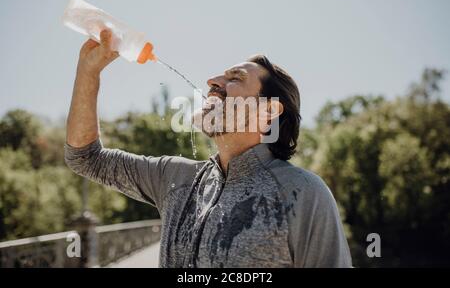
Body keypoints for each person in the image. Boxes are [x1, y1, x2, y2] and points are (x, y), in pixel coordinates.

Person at [65, 29, 352, 268]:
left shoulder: (302, 192)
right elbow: (85, 158)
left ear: (268, 111)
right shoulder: (175, 178)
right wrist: (88, 71)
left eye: (235, 78)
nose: (212, 82)